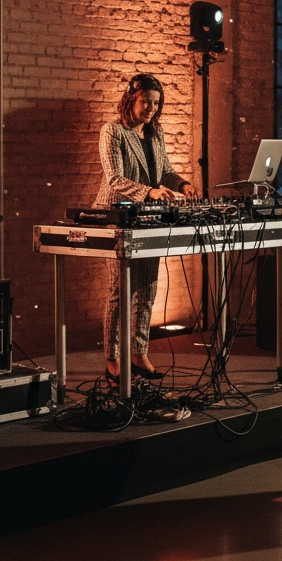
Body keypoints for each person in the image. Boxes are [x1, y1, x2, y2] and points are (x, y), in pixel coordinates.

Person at [93, 73, 197, 383]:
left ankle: (138, 354)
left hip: (147, 218)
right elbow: (115, 178)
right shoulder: (113, 132)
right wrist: (149, 192)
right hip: (117, 215)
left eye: (156, 103)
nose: (151, 108)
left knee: (148, 287)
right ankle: (112, 361)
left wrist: (183, 183)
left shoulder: (155, 133)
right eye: (145, 102)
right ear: (130, 100)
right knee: (120, 292)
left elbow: (163, 171)